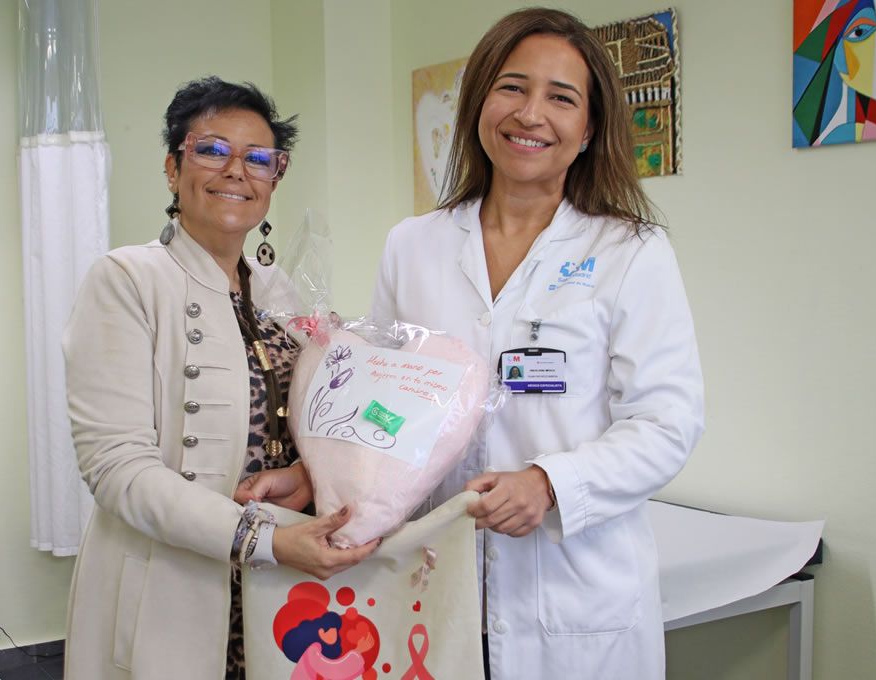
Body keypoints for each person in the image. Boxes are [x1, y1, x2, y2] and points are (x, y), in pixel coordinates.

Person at [369, 8, 705, 678]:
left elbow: (668, 423)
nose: (530, 115)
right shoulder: (414, 246)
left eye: (561, 98)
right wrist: (321, 470)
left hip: (573, 598)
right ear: (478, 104)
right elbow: (382, 402)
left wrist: (552, 482)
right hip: (434, 586)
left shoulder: (629, 252)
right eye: (512, 87)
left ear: (588, 130)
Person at [62, 77, 377, 680]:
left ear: (275, 179)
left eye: (259, 158)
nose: (237, 170)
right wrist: (261, 539)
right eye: (212, 150)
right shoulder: (127, 280)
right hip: (173, 580)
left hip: (284, 584)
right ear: (172, 166)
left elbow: (321, 419)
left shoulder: (284, 292)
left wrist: (311, 475)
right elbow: (116, 467)